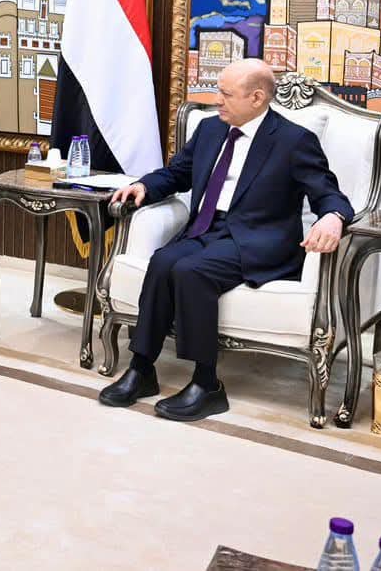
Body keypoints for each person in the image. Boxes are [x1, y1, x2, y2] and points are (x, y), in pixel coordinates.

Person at [98, 59, 352, 421]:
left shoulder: (294, 141)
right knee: (162, 262)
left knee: (191, 271)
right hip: (207, 228)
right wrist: (144, 186)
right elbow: (178, 173)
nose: (217, 99)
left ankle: (207, 385)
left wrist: (332, 217)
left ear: (257, 98)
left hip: (258, 238)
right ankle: (141, 370)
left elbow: (328, 193)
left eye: (226, 94)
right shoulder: (209, 129)